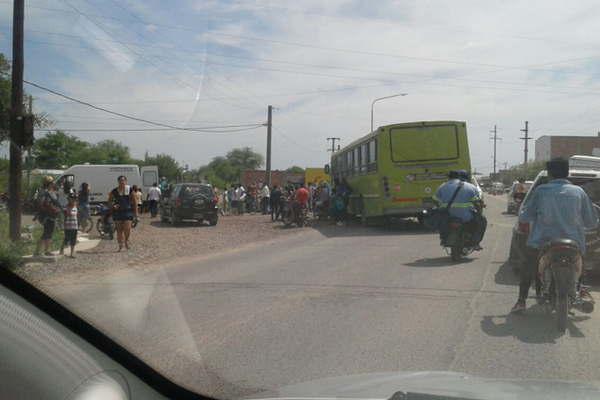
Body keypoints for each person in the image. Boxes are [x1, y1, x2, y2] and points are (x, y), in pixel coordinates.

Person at [511, 158, 599, 313]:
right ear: (567, 173)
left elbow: (525, 217)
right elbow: (591, 221)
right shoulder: (579, 192)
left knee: (528, 265)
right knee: (582, 261)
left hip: (542, 241)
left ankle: (521, 301)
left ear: (550, 174)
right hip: (574, 242)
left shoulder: (541, 191)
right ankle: (581, 290)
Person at [434, 170, 487, 250]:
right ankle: (475, 243)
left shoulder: (442, 186)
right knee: (482, 221)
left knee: (441, 222)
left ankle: (443, 239)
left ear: (448, 177)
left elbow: (435, 200)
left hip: (448, 216)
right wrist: (479, 209)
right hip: (466, 217)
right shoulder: (471, 187)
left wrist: (441, 207)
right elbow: (477, 202)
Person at [108, 175, 138, 251]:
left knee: (127, 229)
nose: (122, 182)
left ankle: (126, 240)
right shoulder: (114, 191)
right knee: (119, 230)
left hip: (127, 212)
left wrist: (136, 214)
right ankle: (120, 244)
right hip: (118, 213)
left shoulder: (130, 190)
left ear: (126, 181)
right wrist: (113, 205)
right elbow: (109, 201)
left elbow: (135, 202)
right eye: (120, 180)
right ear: (118, 182)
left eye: (123, 180)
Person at [35, 176, 61, 256]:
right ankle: (37, 251)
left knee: (49, 233)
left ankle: (47, 250)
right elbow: (41, 204)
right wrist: (50, 209)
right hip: (46, 215)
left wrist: (55, 209)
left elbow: (55, 202)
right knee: (46, 232)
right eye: (52, 182)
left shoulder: (51, 191)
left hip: (52, 215)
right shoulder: (43, 192)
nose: (53, 183)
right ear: (49, 183)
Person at [60, 193, 78, 258]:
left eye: (74, 199)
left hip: (75, 226)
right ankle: (61, 249)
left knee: (73, 240)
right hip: (68, 226)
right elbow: (66, 215)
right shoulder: (66, 207)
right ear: (68, 199)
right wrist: (63, 226)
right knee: (66, 239)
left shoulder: (75, 206)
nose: (73, 200)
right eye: (71, 199)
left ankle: (72, 253)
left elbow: (76, 215)